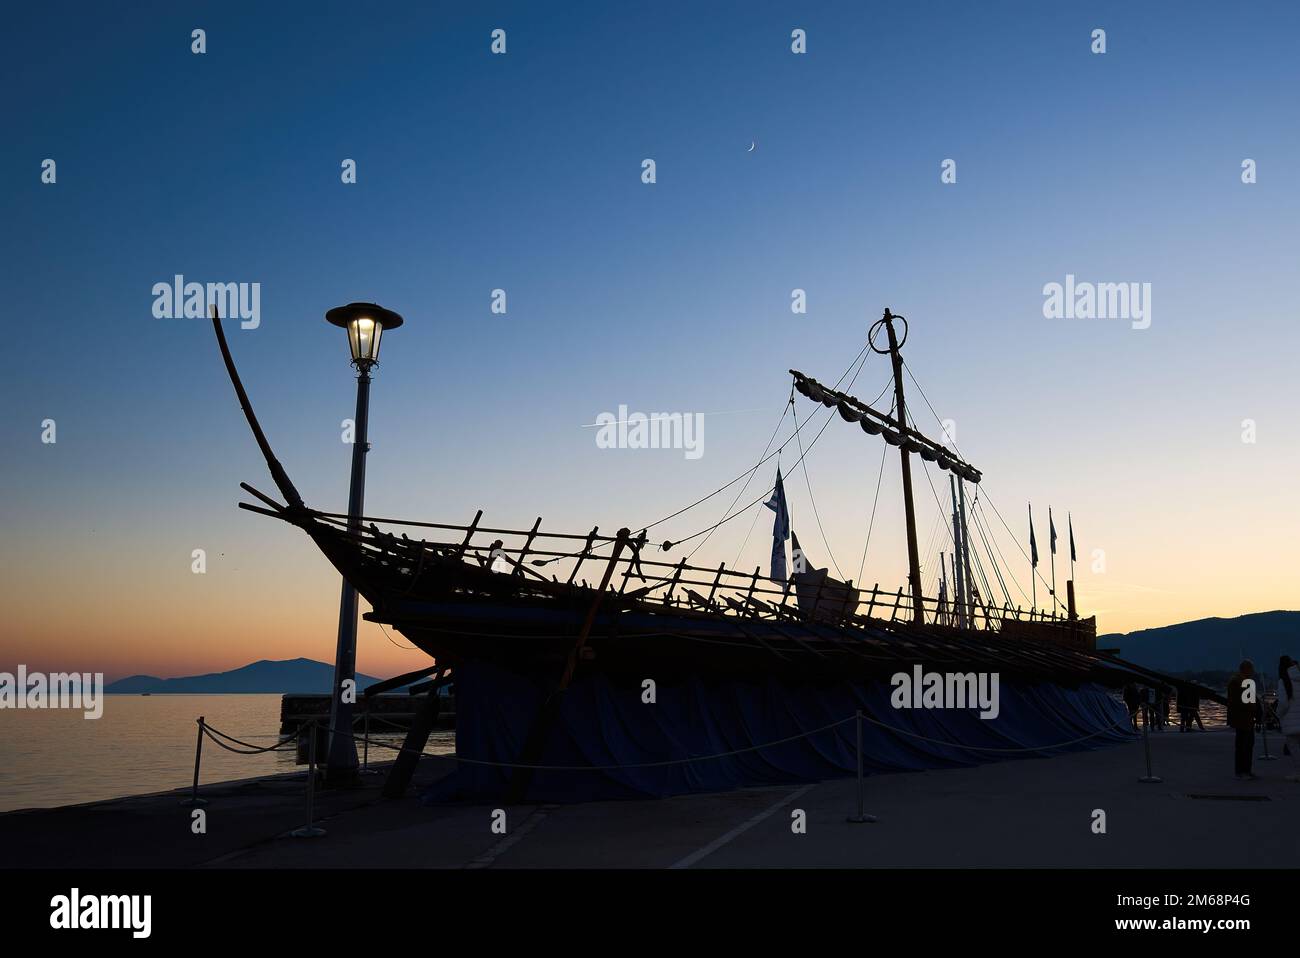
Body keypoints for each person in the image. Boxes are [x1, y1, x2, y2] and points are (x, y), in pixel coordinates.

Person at [1226, 660, 1257, 780]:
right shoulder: (1237, 682)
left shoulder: (1244, 681)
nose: (1253, 672)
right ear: (1246, 669)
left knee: (1249, 745)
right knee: (1242, 745)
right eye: (1251, 669)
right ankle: (1241, 771)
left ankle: (1247, 770)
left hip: (1247, 719)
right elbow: (1239, 702)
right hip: (1242, 719)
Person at [1277, 655, 1300, 782]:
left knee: (1294, 747)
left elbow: (1283, 703)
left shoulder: (1283, 681)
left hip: (1292, 720)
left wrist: (1279, 715)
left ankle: (1299, 773)